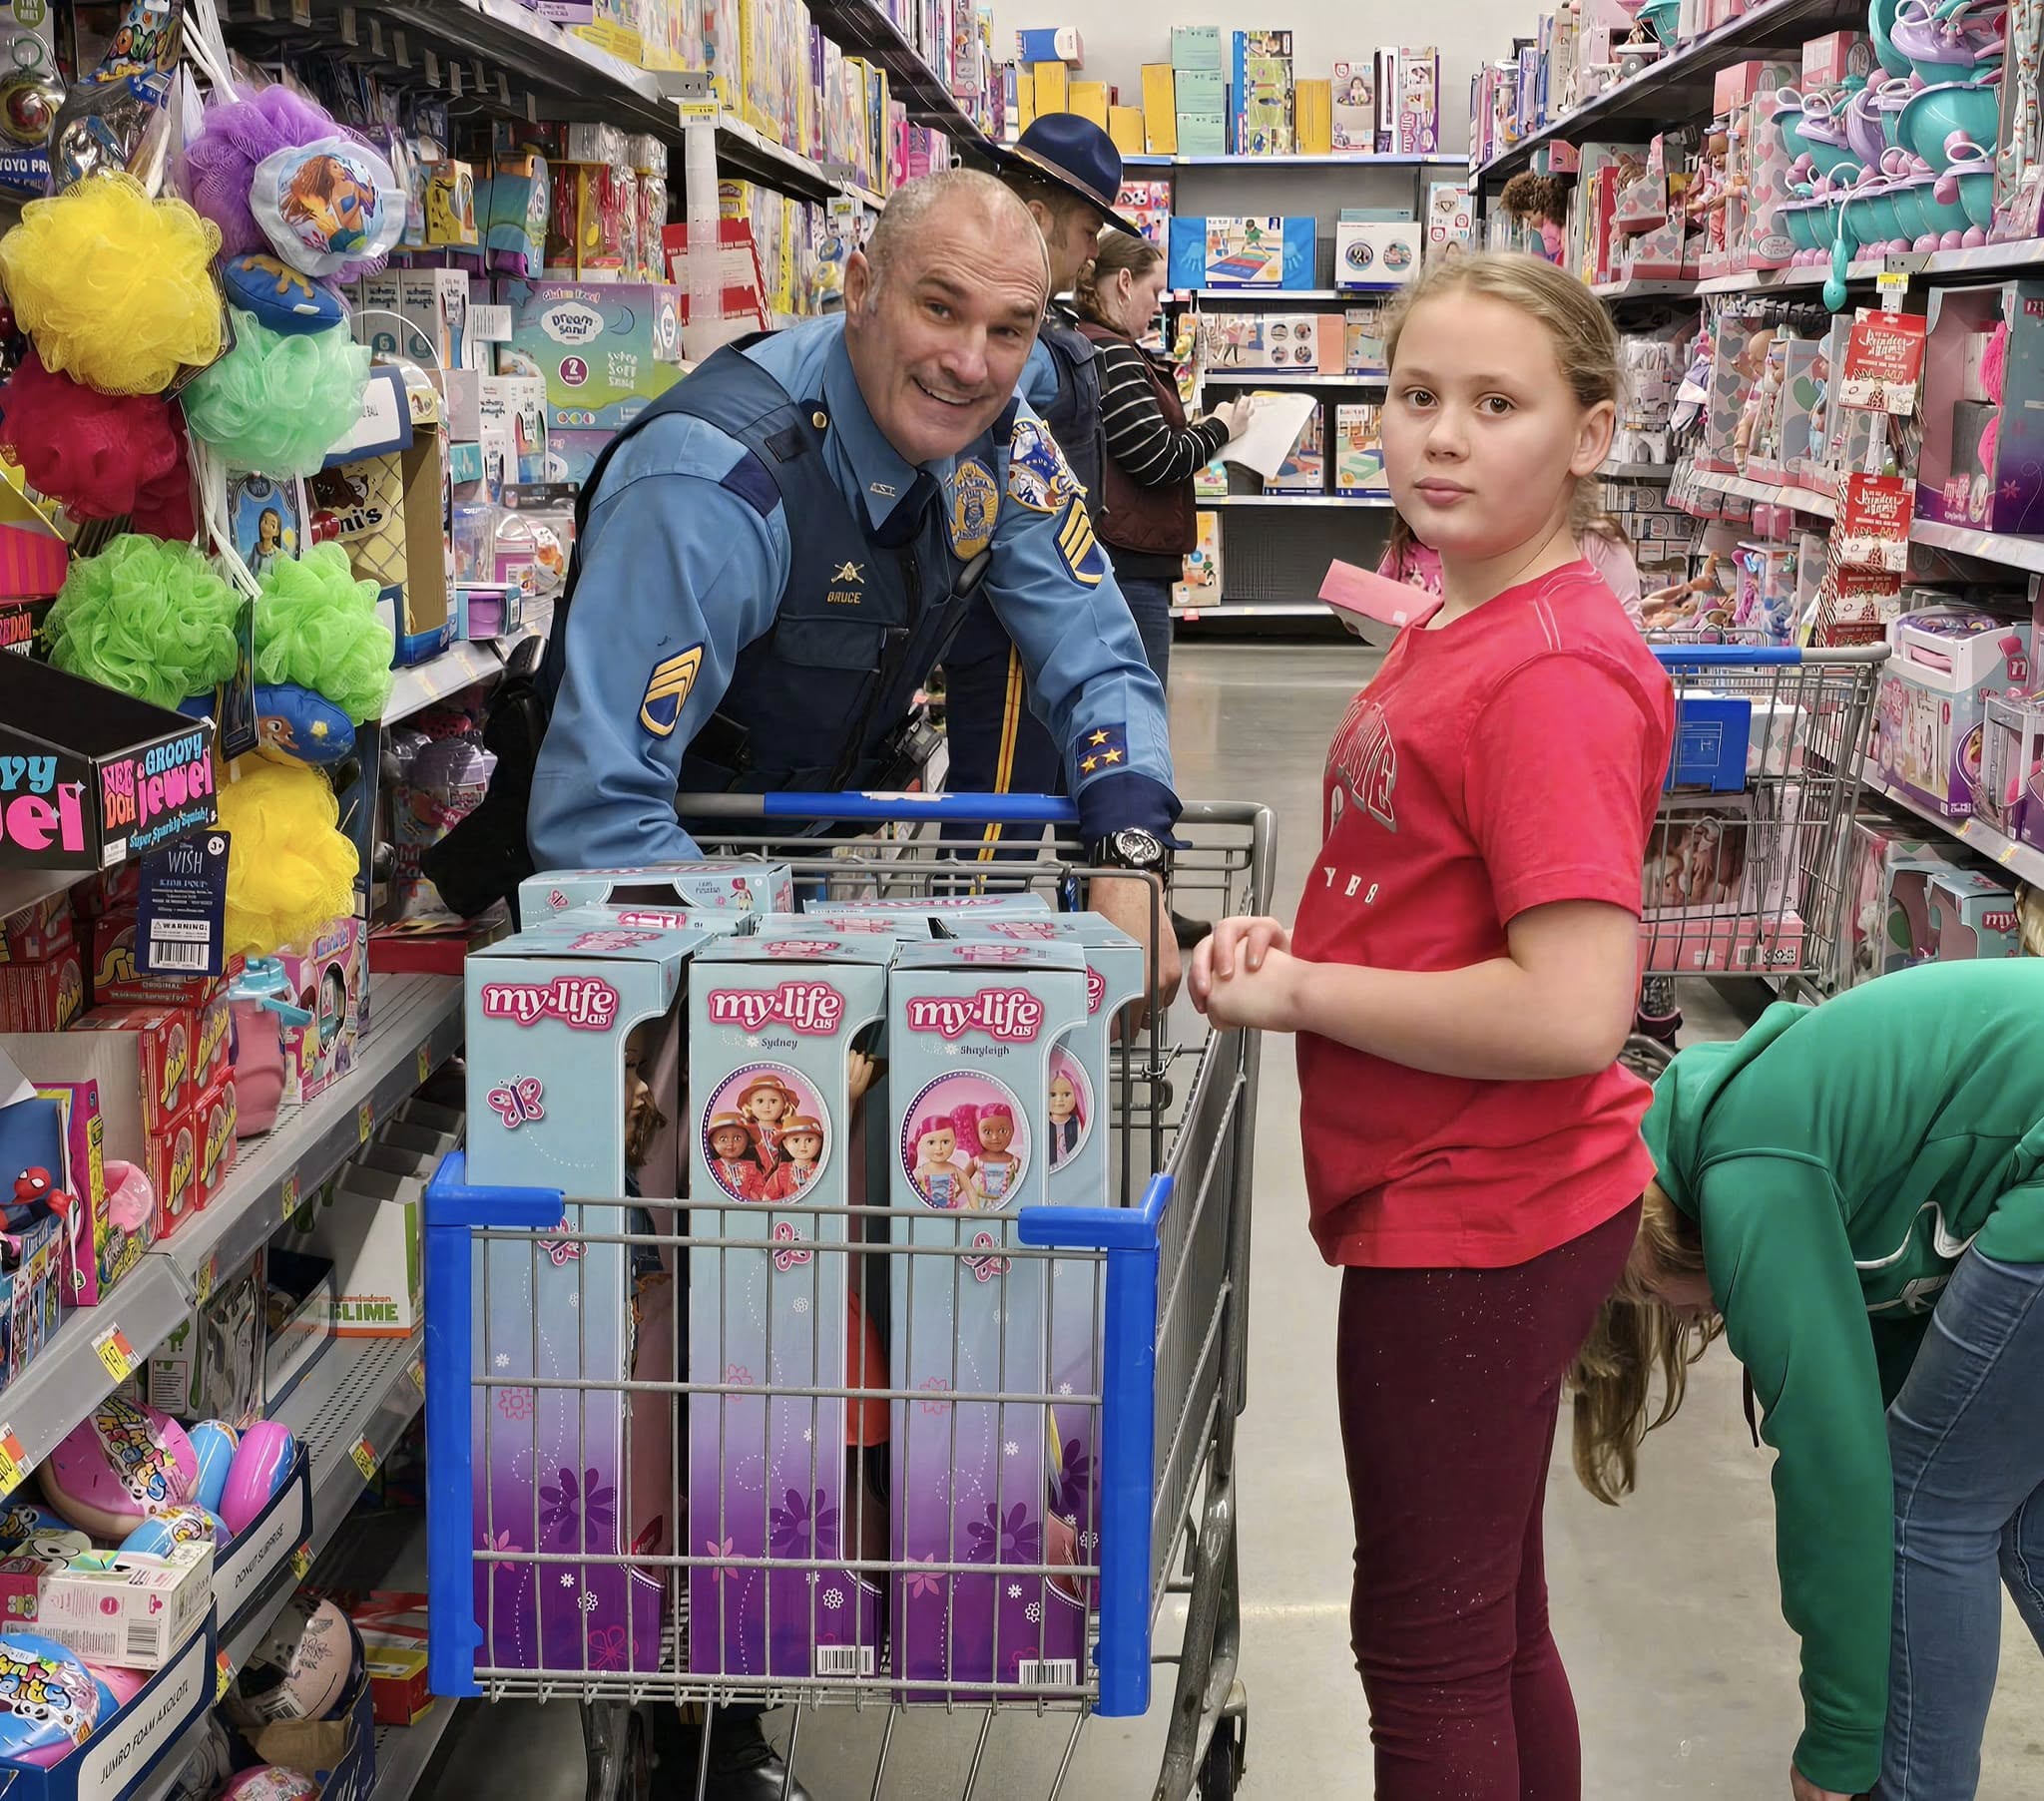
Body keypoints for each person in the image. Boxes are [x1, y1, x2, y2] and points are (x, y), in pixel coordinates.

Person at [1188, 252, 1675, 1799]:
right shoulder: (1463, 612)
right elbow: (1430, 882)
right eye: (1415, 396)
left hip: (1480, 1208)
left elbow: (1574, 1009)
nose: (1442, 436)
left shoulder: (1552, 674)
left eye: (1496, 404)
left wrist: (1304, 995)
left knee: (1428, 1653)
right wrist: (1308, 941)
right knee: (1490, 1623)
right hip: (1462, 1187)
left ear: (1590, 435)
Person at [426, 169, 1183, 1019]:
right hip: (647, 914)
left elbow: (1101, 655)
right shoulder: (712, 486)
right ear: (861, 289)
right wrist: (779, 1001)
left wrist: (1130, 850)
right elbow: (597, 812)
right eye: (939, 308)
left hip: (803, 865)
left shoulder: (1003, 446)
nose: (971, 364)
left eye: (1008, 329)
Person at [1572, 959, 2044, 1801]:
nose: (1676, 1317)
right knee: (2016, 1512)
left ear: (1651, 1230)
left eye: (1645, 1292)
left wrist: (1840, 1735)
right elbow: (1881, 1388)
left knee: (1925, 1508)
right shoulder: (1778, 1120)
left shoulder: (1750, 1170)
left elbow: (1838, 1467)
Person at [943, 115, 1155, 861]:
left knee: (1037, 799)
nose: (1095, 250)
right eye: (1087, 230)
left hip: (1042, 601)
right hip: (1012, 619)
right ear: (1037, 218)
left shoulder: (1047, 329)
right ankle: (966, 933)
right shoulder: (1012, 349)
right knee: (995, 828)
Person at [1073, 230, 1252, 946]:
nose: (1156, 308)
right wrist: (1221, 429)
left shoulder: (1096, 349)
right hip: (1129, 564)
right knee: (1135, 732)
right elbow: (1155, 458)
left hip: (1123, 557)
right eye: (1151, 293)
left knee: (1111, 729)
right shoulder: (1113, 355)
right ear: (1121, 284)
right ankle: (1141, 897)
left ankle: (1112, 890)